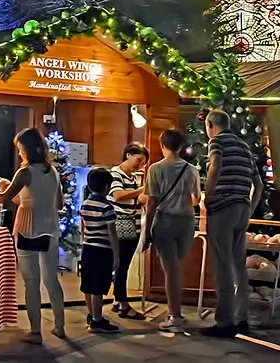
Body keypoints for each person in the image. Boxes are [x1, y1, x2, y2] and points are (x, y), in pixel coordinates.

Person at [0, 128, 66, 344]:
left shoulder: (25, 172)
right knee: (51, 279)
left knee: (31, 281)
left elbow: (3, 200)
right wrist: (17, 193)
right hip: (51, 229)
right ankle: (60, 326)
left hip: (28, 229)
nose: (19, 153)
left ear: (26, 148)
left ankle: (36, 332)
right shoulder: (52, 171)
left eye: (20, 149)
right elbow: (59, 204)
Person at [201, 110, 263, 338]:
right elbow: (259, 184)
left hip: (223, 209)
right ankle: (241, 319)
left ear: (210, 125)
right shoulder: (245, 147)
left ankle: (224, 322)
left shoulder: (217, 142)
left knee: (222, 265)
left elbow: (215, 165)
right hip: (242, 210)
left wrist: (208, 195)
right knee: (239, 265)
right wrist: (249, 207)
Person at [144, 129, 201, 334]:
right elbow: (197, 199)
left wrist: (147, 230)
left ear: (163, 145)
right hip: (187, 221)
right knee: (177, 267)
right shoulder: (192, 169)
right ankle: (176, 313)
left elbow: (151, 201)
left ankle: (175, 316)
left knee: (171, 271)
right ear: (180, 146)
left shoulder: (156, 169)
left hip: (165, 220)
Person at [108, 142, 149, 320]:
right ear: (128, 155)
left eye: (143, 163)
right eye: (139, 160)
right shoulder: (116, 174)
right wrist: (142, 189)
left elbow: (133, 199)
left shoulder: (131, 177)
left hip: (131, 223)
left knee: (122, 265)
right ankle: (123, 304)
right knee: (122, 265)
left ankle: (118, 301)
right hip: (122, 224)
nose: (140, 165)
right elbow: (118, 195)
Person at [81, 167, 121, 334]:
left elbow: (83, 227)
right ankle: (98, 321)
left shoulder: (85, 204)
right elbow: (112, 234)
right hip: (102, 251)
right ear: (106, 187)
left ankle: (91, 315)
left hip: (88, 248)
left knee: (88, 286)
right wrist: (116, 256)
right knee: (98, 287)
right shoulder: (107, 207)